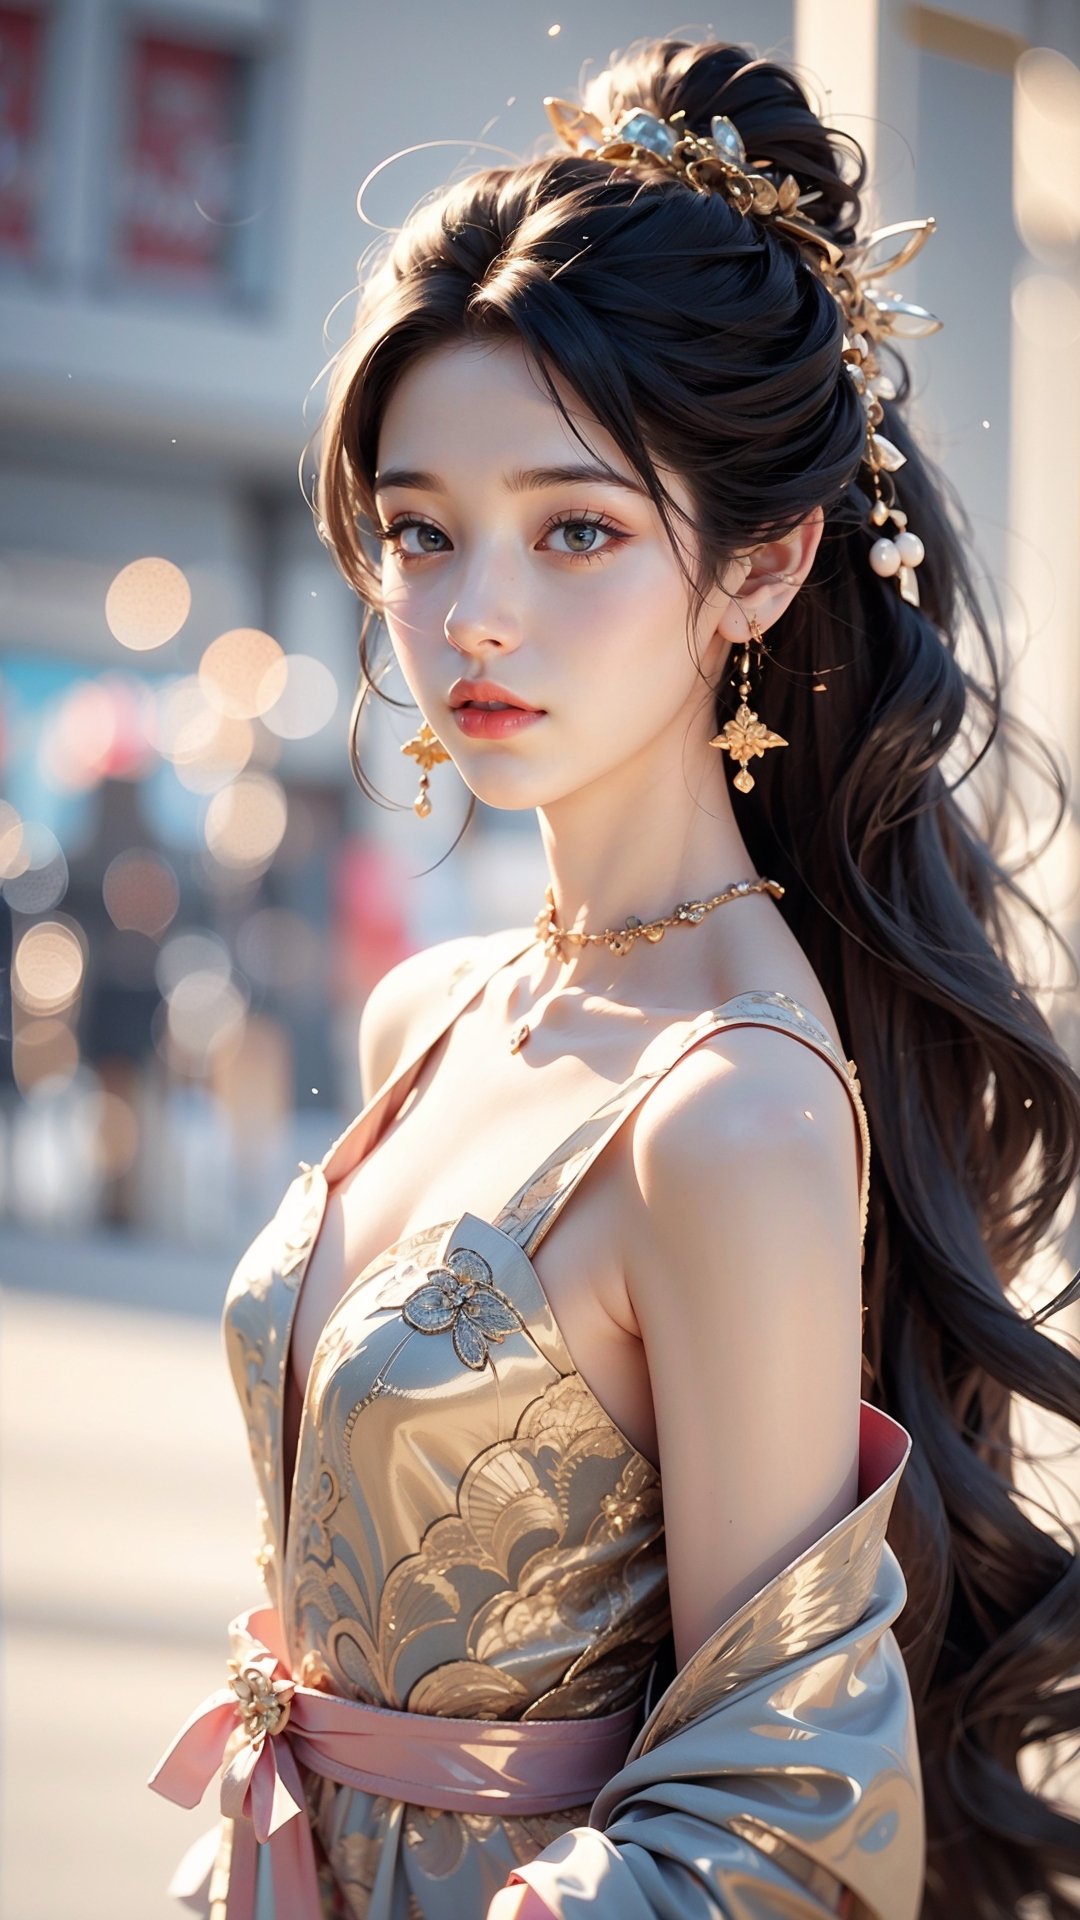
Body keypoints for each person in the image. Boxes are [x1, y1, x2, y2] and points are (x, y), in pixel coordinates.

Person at [149, 35, 1080, 1920]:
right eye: (420, 531)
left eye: (574, 529)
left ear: (763, 564)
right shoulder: (435, 1010)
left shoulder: (730, 1108)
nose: (470, 610)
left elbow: (781, 1821)